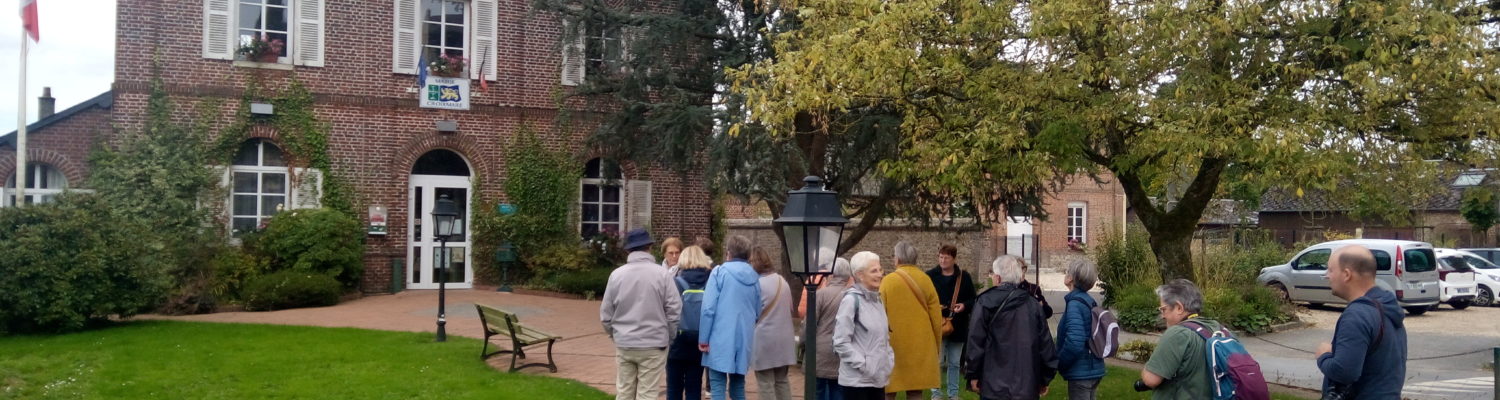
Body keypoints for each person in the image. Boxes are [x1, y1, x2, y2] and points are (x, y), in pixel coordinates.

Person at [600, 229, 683, 400]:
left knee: (624, 392)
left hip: (625, 342)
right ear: (650, 247)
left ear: (628, 250)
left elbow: (606, 315)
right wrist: (668, 336)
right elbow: (674, 310)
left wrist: (615, 335)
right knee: (648, 394)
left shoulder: (616, 275)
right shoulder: (662, 275)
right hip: (654, 342)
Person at [1316, 245, 1407, 399]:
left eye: (1331, 270)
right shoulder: (1388, 307)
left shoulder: (1357, 315)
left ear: (1346, 274)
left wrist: (1323, 355)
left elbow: (1344, 372)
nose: (1327, 276)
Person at [965, 255, 1057, 400]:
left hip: (994, 383)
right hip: (1024, 383)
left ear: (998, 278)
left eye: (993, 275)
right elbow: (1046, 346)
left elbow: (975, 341)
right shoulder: (1033, 304)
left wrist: (973, 374)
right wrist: (1045, 377)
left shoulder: (985, 301)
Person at [699, 235, 762, 400]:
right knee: (738, 385)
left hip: (719, 336)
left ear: (728, 253)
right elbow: (757, 311)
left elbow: (708, 309)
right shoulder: (755, 278)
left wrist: (703, 339)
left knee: (717, 386)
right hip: (744, 337)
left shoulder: (719, 273)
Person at [879, 241, 943, 400]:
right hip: (920, 343)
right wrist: (936, 344)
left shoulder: (888, 281)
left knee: (889, 390)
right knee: (915, 391)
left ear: (898, 259)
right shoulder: (925, 279)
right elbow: (936, 316)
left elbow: (879, 313)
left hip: (893, 343)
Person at [1139, 279, 1219, 399]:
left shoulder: (1178, 333)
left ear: (1179, 308)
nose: (1162, 315)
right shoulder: (1217, 328)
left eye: (1163, 309)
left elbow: (1150, 379)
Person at [833, 251, 895, 400]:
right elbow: (840, 342)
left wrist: (888, 360)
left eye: (880, 270)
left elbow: (883, 337)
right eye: (874, 271)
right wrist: (865, 366)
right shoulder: (851, 301)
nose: (880, 274)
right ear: (860, 275)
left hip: (877, 380)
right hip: (856, 383)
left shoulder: (877, 300)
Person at [925, 245, 977, 400]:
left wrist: (964, 306)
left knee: (954, 362)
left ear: (954, 259)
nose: (943, 260)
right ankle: (936, 393)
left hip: (958, 324)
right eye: (941, 257)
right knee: (938, 362)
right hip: (936, 323)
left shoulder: (964, 277)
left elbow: (973, 299)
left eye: (946, 257)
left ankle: (953, 394)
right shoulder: (930, 276)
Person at [667, 246, 714, 400]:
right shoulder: (711, 282)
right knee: (694, 387)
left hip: (676, 340)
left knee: (674, 387)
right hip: (701, 340)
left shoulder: (674, 282)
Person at [749, 247, 795, 400]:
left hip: (764, 340)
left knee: (765, 383)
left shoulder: (757, 284)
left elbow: (752, 314)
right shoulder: (783, 281)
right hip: (785, 340)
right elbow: (790, 308)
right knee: (782, 381)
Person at [1056, 259, 1106, 400]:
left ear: (1071, 278)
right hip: (1093, 368)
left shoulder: (1075, 304)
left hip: (1081, 372)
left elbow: (1074, 342)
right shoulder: (1089, 300)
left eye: (1067, 272)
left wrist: (1060, 363)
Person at [812, 258, 854, 400]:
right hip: (843, 352)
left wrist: (803, 343)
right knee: (838, 391)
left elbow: (809, 324)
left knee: (818, 391)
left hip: (820, 351)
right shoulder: (853, 295)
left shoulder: (820, 295)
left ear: (832, 274)